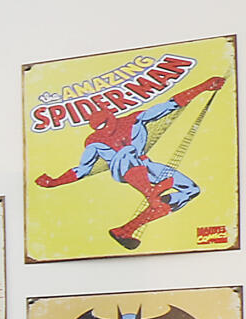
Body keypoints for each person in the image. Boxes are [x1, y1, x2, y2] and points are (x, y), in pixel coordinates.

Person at [35, 76, 222, 250]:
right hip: (122, 167)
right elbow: (82, 169)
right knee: (127, 151)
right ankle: (151, 194)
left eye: (105, 125)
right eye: (99, 128)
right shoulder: (94, 142)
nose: (105, 131)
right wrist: (55, 182)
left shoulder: (134, 120)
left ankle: (126, 230)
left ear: (112, 118)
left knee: (191, 190)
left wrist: (204, 86)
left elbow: (170, 105)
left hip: (145, 165)